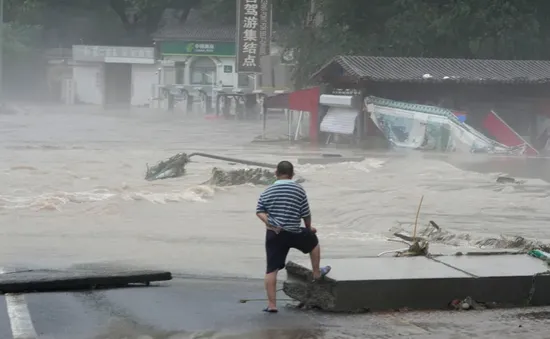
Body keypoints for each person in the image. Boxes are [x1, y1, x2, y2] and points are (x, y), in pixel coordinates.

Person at [256, 160, 331, 313]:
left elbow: (259, 210)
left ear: (276, 173)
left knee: (271, 270)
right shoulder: (298, 189)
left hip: (275, 234)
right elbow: (306, 213)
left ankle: (272, 305)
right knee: (313, 242)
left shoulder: (268, 190)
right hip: (294, 232)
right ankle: (316, 272)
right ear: (292, 174)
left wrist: (268, 222)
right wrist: (309, 228)